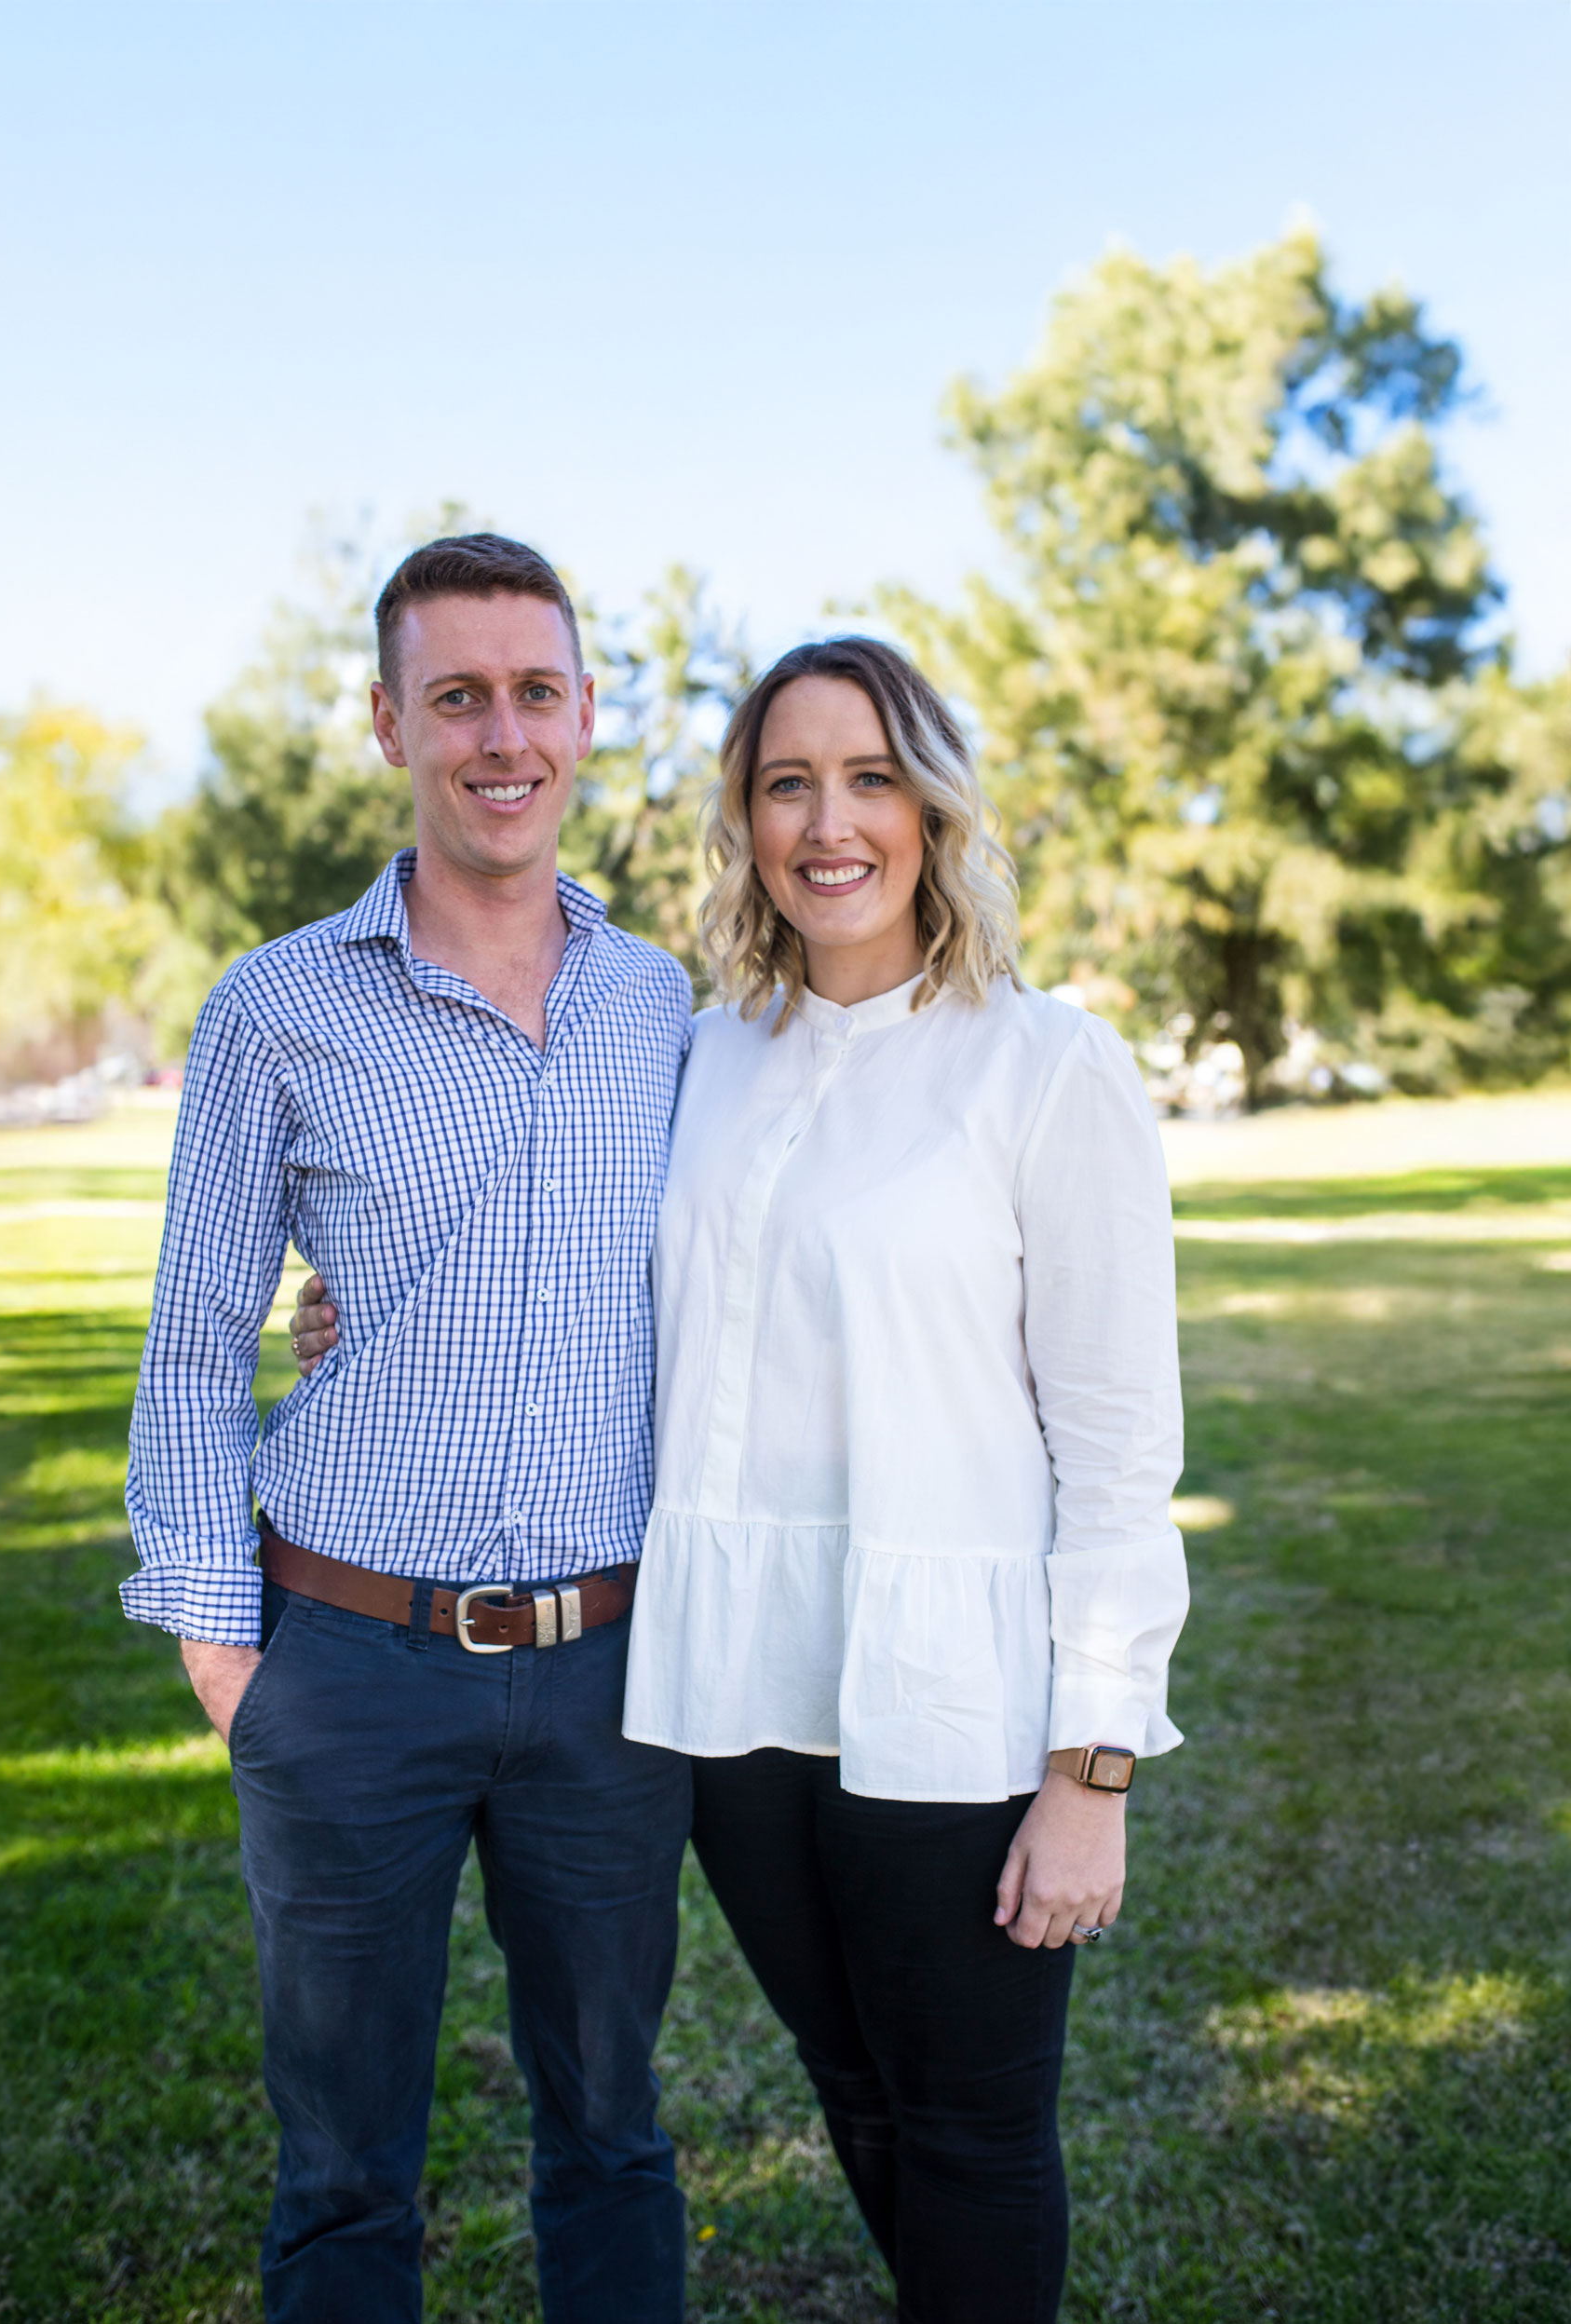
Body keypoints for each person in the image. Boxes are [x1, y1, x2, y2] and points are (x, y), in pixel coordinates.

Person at [286, 635, 1190, 2323]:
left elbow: (1125, 1447)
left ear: (930, 806)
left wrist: (1095, 1760)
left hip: (948, 1690)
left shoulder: (1044, 1064)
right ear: (747, 821)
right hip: (733, 1691)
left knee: (975, 2125)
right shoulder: (706, 1051)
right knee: (851, 2088)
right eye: (788, 784)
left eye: (868, 779)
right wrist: (376, 1300)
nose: (828, 823)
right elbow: (562, 1254)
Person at [124, 534, 695, 2324]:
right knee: (344, 2178)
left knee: (612, 2136)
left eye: (535, 692)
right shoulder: (275, 1006)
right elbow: (200, 1332)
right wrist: (232, 1655)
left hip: (614, 1675)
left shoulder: (665, 1005)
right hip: (351, 1663)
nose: (499, 735)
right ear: (389, 724)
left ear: (589, 718)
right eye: (456, 697)